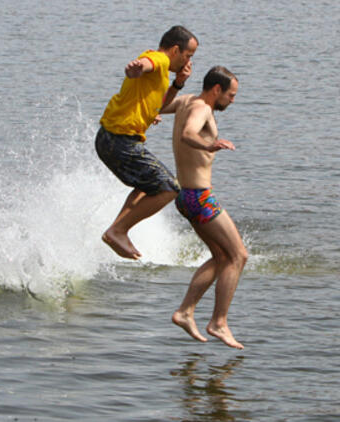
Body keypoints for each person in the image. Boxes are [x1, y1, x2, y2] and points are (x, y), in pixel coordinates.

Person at [161, 66, 247, 349]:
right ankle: (218, 322)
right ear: (216, 90)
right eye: (230, 95)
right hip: (199, 197)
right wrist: (209, 146)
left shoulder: (185, 100)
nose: (232, 102)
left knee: (221, 256)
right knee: (239, 255)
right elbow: (187, 133)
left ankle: (185, 312)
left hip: (185, 196)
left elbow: (159, 104)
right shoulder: (203, 109)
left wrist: (154, 111)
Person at [96, 25, 199, 260]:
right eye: (188, 56)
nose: (188, 62)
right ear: (175, 50)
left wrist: (178, 84)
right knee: (169, 188)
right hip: (119, 141)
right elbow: (145, 64)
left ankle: (117, 230)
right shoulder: (159, 60)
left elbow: (159, 105)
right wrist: (136, 68)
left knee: (150, 185)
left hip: (110, 139)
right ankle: (117, 230)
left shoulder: (162, 76)